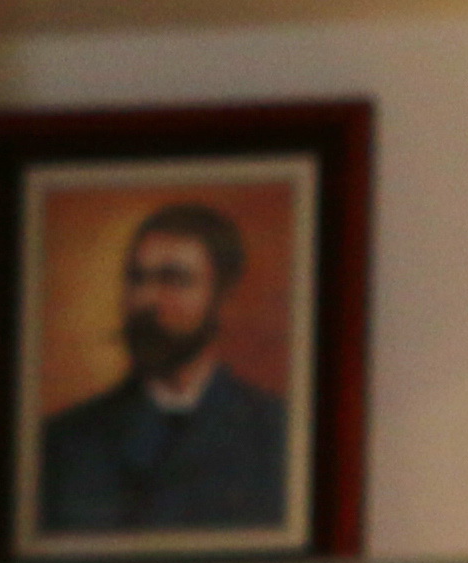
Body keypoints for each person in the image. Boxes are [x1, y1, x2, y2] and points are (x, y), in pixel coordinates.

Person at [35, 201, 296, 540]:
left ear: (222, 297)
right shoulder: (67, 442)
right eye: (138, 279)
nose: (148, 300)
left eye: (174, 280)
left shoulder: (276, 435)